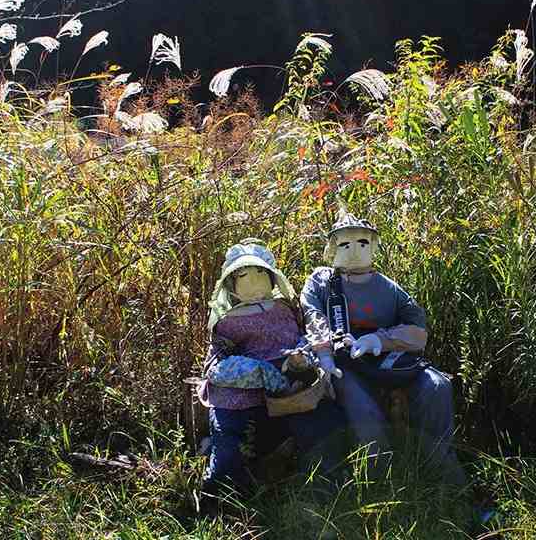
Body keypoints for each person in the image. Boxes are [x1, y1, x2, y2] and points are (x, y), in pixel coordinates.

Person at [300, 211, 467, 486]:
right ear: (332, 247)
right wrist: (325, 354)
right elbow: (313, 315)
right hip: (344, 363)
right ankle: (380, 481)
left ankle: (441, 469)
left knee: (437, 386)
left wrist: (379, 340)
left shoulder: (389, 288)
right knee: (363, 408)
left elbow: (417, 330)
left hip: (390, 360)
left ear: (374, 246)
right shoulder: (321, 282)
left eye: (362, 242)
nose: (354, 249)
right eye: (345, 243)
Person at [198, 238, 346, 508]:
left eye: (260, 274)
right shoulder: (226, 322)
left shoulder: (285, 309)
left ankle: (326, 491)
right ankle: (218, 502)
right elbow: (216, 366)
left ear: (272, 278)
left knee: (324, 425)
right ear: (231, 284)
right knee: (229, 450)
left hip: (290, 392)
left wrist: (301, 358)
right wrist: (259, 371)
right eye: (243, 277)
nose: (253, 283)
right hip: (240, 396)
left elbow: (301, 337)